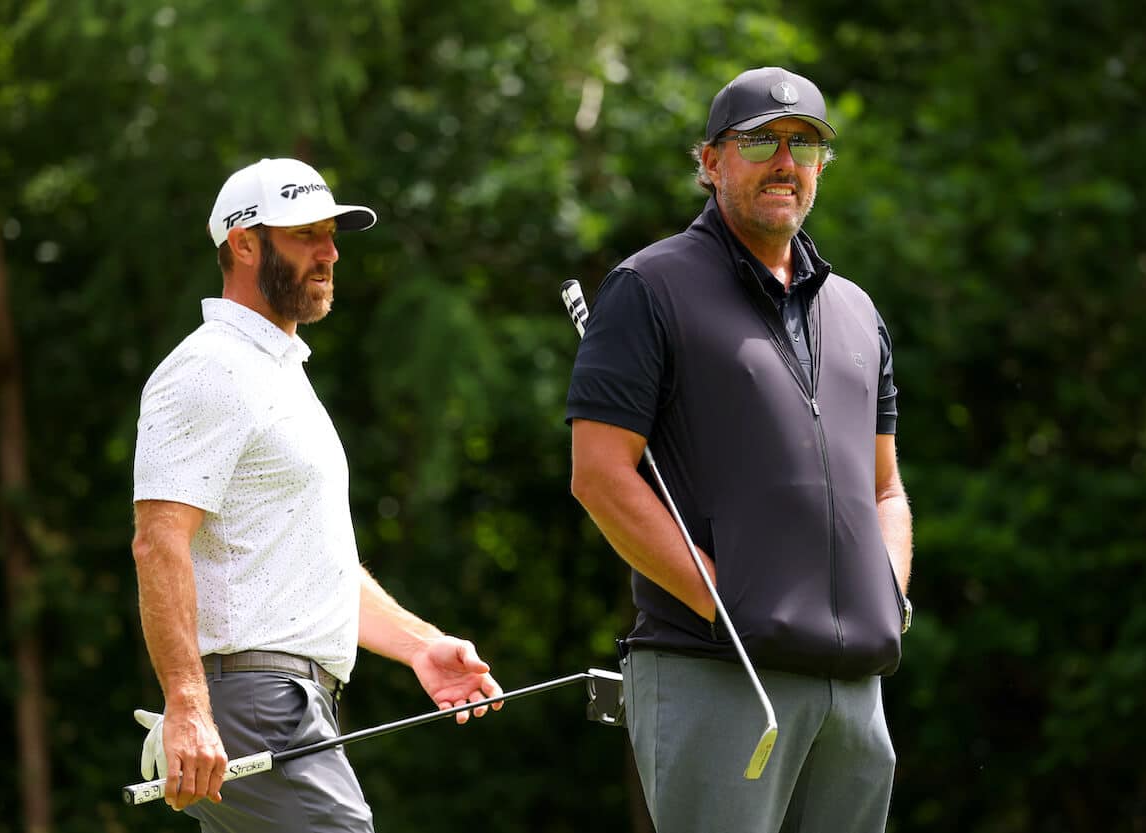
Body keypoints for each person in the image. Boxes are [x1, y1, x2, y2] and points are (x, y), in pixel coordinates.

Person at [565, 67, 914, 833]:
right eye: (759, 140)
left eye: (804, 144)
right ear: (710, 160)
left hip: (853, 691)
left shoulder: (857, 310)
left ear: (821, 165)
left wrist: (887, 595)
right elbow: (599, 474)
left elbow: (887, 490)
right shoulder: (648, 287)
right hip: (718, 671)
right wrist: (723, 601)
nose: (784, 161)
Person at [131, 157, 502, 832]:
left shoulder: (277, 372)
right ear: (244, 243)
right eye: (305, 234)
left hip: (287, 700)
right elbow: (158, 542)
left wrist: (420, 643)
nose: (330, 252)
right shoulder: (209, 368)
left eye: (331, 234)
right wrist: (187, 703)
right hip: (254, 702)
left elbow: (306, 564)